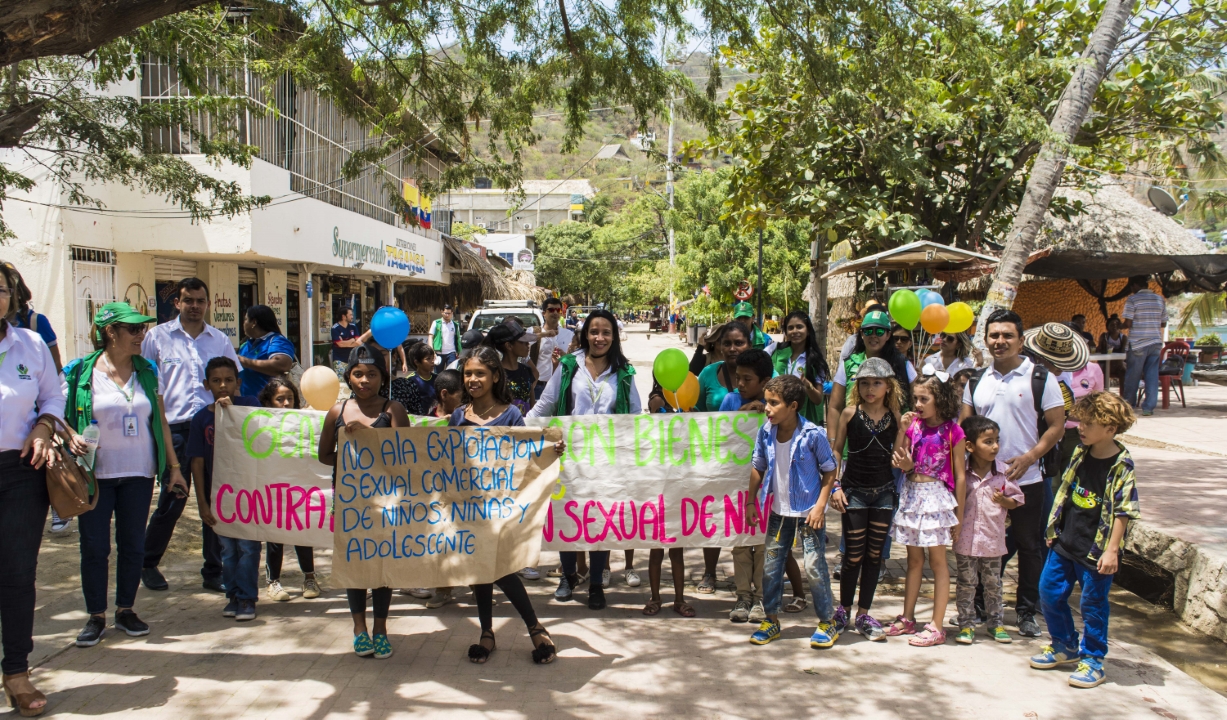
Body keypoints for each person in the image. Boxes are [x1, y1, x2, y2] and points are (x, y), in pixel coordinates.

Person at [63, 302, 189, 648]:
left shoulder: (147, 370)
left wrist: (174, 468)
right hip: (95, 475)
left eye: (142, 329)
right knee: (94, 546)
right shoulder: (80, 372)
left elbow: (160, 420)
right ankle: (95, 616)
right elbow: (56, 415)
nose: (141, 335)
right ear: (110, 332)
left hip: (139, 472)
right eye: (133, 329)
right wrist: (69, 436)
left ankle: (126, 609)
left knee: (132, 545)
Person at [449, 347, 559, 665]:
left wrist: (552, 448)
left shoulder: (510, 415)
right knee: (480, 569)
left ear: (495, 376)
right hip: (468, 508)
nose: (472, 379)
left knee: (500, 568)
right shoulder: (459, 416)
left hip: (501, 508)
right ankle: (488, 632)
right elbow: (446, 458)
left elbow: (529, 451)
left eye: (480, 373)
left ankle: (534, 627)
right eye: (468, 373)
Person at [960, 309, 1066, 638]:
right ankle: (979, 606)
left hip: (1027, 479)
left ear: (1021, 340)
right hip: (982, 482)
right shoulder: (977, 380)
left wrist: (1031, 456)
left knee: (1029, 545)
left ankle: (1025, 612)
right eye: (994, 335)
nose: (1000, 341)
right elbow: (966, 427)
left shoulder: (1040, 377)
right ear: (986, 339)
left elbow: (1057, 425)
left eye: (1007, 335)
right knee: (980, 545)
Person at [529, 309, 641, 610]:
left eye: (606, 332)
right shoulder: (568, 367)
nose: (600, 337)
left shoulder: (625, 373)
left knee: (599, 519)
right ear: (585, 334)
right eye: (594, 331)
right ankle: (567, 576)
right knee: (568, 514)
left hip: (608, 460)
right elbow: (545, 404)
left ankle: (595, 583)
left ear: (614, 337)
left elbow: (635, 417)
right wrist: (521, 430)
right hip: (568, 458)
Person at [1030, 392, 1140, 689]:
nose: (1081, 427)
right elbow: (1066, 494)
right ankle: (1064, 644)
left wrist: (1112, 551)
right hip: (1065, 542)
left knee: (1093, 605)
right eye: (1081, 420)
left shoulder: (1122, 463)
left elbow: (1124, 511)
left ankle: (1093, 659)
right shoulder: (1080, 451)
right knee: (1049, 593)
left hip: (1096, 550)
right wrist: (1054, 529)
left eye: (1089, 423)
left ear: (1110, 428)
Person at [140, 277, 241, 593]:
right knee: (173, 499)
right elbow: (144, 382)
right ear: (178, 303)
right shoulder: (156, 338)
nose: (195, 306)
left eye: (200, 300)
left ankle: (214, 570)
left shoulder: (220, 340)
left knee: (214, 499)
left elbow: (234, 380)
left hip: (214, 427)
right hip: (176, 431)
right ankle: (147, 563)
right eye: (189, 300)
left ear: (207, 303)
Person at [317, 344, 411, 658]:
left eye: (371, 374)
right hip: (349, 504)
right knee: (354, 563)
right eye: (358, 374)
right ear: (349, 377)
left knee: (382, 564)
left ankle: (381, 629)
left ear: (382, 377)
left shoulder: (393, 410)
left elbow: (405, 456)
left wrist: (370, 438)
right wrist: (351, 451)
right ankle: (360, 629)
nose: (364, 380)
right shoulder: (337, 412)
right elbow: (325, 456)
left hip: (385, 502)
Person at [0, 262, 65, 716]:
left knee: (18, 575)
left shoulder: (31, 343)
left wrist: (44, 426)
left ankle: (17, 673)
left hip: (21, 471)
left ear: (12, 295)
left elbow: (54, 395)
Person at [746, 375, 839, 648]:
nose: (767, 408)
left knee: (814, 566)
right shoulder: (766, 432)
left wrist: (820, 506)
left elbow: (830, 469)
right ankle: (771, 620)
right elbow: (758, 464)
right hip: (778, 512)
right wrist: (751, 501)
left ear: (794, 405)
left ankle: (827, 622)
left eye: (774, 403)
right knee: (772, 568)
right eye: (766, 401)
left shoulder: (813, 435)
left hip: (809, 514)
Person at [828, 358, 907, 642]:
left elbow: (898, 460)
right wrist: (835, 485)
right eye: (864, 383)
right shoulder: (849, 413)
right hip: (854, 491)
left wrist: (904, 432)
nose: (870, 388)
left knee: (875, 556)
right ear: (857, 386)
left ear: (889, 386)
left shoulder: (897, 417)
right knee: (853, 555)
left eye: (877, 383)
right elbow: (836, 451)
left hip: (884, 491)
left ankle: (864, 613)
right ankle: (843, 610)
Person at [885, 370, 965, 647]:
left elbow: (961, 475)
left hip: (936, 498)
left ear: (939, 399)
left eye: (924, 398)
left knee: (938, 562)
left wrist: (960, 515)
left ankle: (937, 625)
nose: (917, 404)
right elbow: (898, 459)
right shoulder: (913, 426)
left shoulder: (953, 431)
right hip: (911, 494)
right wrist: (901, 430)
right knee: (914, 561)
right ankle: (908, 618)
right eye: (915, 398)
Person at [185, 357, 262, 621]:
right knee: (227, 549)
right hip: (219, 496)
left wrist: (232, 412)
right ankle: (233, 594)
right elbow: (197, 462)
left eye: (229, 380)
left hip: (249, 493)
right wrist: (203, 503)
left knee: (249, 547)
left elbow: (261, 440)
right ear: (206, 385)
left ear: (238, 383)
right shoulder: (200, 418)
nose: (223, 386)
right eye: (216, 381)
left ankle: (247, 598)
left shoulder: (250, 406)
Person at [693, 321, 753, 595]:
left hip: (754, 462)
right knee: (713, 515)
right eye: (727, 343)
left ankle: (752, 574)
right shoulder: (706, 374)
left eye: (739, 342)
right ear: (717, 346)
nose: (732, 348)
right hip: (715, 459)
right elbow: (696, 416)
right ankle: (709, 572)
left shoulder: (766, 372)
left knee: (751, 516)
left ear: (749, 345)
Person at [953, 416, 1023, 645]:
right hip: (965, 541)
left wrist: (1005, 501)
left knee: (994, 584)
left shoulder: (1003, 473)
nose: (995, 446)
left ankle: (996, 624)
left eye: (996, 441)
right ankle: (966, 624)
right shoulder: (960, 473)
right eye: (988, 441)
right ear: (970, 446)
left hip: (993, 542)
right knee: (966, 584)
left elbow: (1017, 501)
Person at [257, 378, 320, 602]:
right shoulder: (261, 424)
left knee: (303, 532)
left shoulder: (303, 422)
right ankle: (273, 581)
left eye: (289, 399)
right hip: (274, 488)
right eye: (279, 399)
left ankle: (310, 578)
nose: (285, 403)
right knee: (275, 535)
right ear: (269, 402)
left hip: (299, 486)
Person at [770, 311, 831, 426]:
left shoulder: (815, 360)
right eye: (790, 328)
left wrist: (808, 386)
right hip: (777, 417)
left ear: (808, 331)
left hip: (804, 421)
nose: (795, 331)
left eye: (799, 327)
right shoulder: (775, 350)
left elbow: (818, 399)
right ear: (786, 332)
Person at [1121, 275, 1167, 416]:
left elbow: (1128, 323)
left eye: (1131, 286)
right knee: (1152, 375)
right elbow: (1163, 323)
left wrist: (1119, 326)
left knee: (1132, 375)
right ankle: (1148, 408)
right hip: (1155, 342)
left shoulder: (1133, 299)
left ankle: (1128, 406)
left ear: (1135, 285)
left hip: (1138, 343)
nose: (1131, 289)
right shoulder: (1160, 299)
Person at [237, 305, 296, 398]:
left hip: (267, 406)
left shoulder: (276, 341)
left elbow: (282, 365)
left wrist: (246, 362)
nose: (243, 324)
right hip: (246, 405)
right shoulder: (245, 344)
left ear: (254, 322)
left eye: (245, 319)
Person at [484, 319, 539, 416]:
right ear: (509, 346)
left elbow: (532, 403)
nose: (528, 345)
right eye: (523, 342)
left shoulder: (526, 370)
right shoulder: (496, 375)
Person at [532, 297, 574, 401]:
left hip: (561, 385)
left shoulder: (569, 335)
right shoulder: (534, 333)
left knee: (560, 417)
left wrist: (565, 356)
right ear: (543, 313)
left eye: (558, 310)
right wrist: (544, 334)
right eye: (551, 310)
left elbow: (577, 359)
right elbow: (522, 342)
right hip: (539, 386)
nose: (555, 313)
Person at [390, 342, 438, 416]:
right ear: (417, 362)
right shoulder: (409, 381)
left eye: (433, 358)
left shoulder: (437, 379)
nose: (432, 362)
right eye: (428, 359)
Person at [330, 307, 361, 378]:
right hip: (339, 360)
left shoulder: (353, 326)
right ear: (344, 316)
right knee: (341, 381)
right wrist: (351, 340)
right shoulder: (335, 328)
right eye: (350, 315)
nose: (352, 317)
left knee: (353, 380)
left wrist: (345, 342)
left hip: (352, 359)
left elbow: (358, 342)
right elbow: (340, 344)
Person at [429, 304, 463, 369]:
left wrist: (459, 351)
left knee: (451, 373)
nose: (447, 315)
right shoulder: (436, 323)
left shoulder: (455, 325)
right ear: (442, 312)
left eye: (449, 313)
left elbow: (458, 339)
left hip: (451, 353)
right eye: (446, 313)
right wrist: (432, 351)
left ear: (452, 313)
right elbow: (430, 337)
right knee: (437, 374)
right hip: (438, 353)